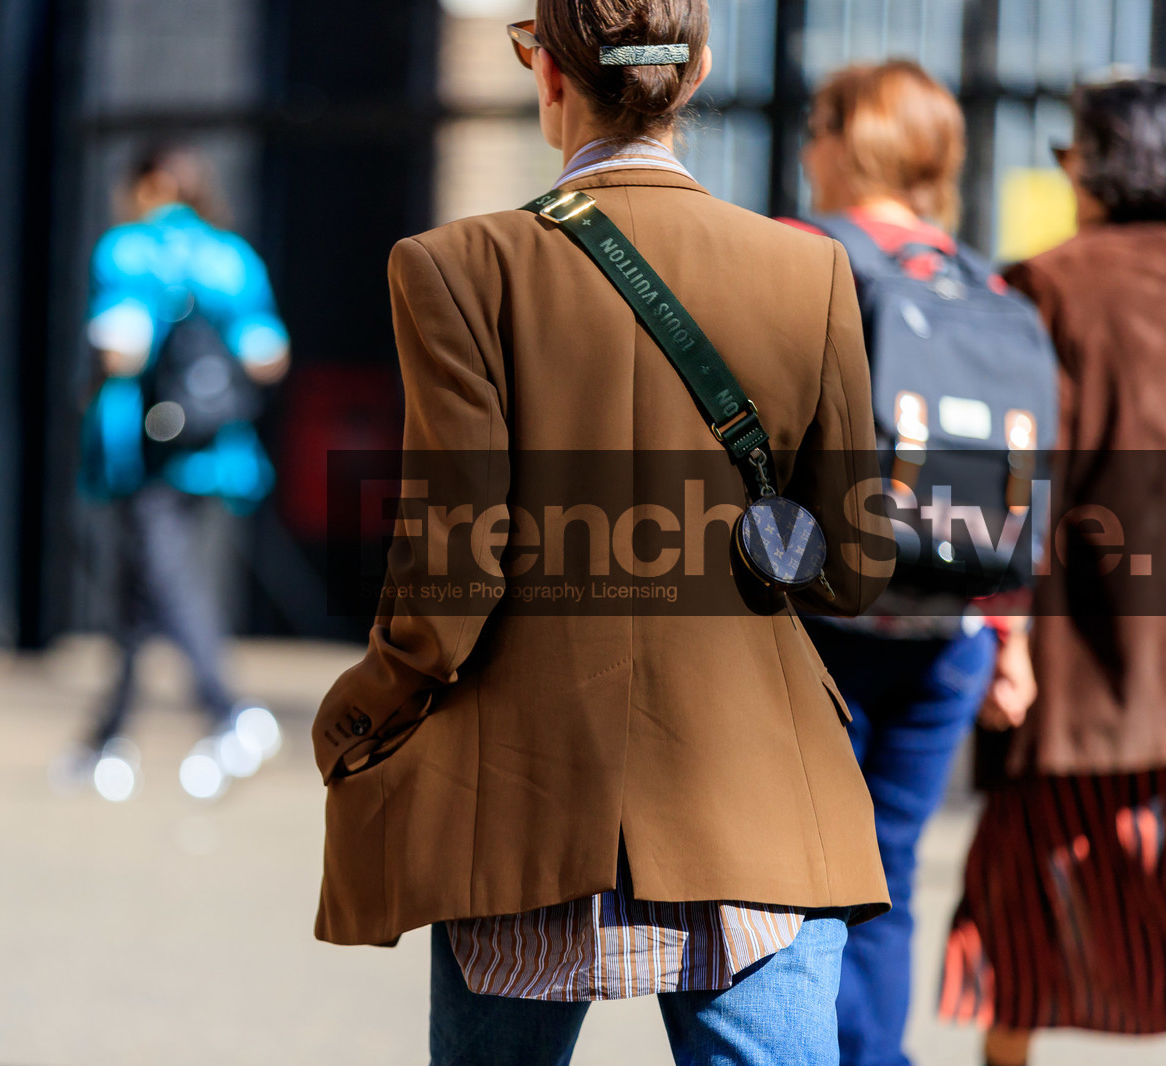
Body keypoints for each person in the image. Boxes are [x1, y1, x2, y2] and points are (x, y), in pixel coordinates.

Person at [310, 3, 893, 1063]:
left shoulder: (453, 268)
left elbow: (452, 568)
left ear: (548, 74)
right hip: (752, 795)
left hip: (526, 795)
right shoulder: (807, 274)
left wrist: (360, 712)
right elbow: (853, 570)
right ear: (699, 71)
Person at [788, 61, 1039, 1066]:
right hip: (950, 632)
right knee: (884, 878)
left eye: (815, 126)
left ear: (853, 143)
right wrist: (1010, 636)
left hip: (821, 628)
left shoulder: (802, 254)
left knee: (796, 884)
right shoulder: (984, 281)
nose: (805, 147)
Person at [938, 75, 1166, 1066]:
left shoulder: (1043, 287)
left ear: (1102, 168)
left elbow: (1006, 481)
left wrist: (1007, 635)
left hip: (1076, 672)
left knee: (1018, 926)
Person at [69, 145, 289, 802]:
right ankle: (105, 742)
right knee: (139, 592)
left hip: (142, 450)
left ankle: (229, 713)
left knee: (165, 583)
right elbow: (268, 356)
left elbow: (120, 347)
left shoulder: (129, 249)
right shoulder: (232, 256)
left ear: (151, 185)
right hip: (212, 448)